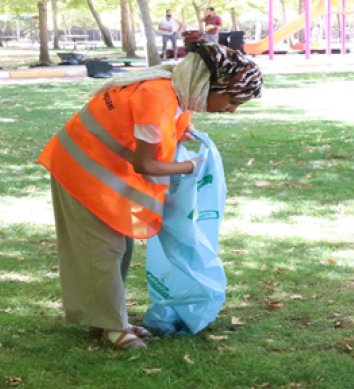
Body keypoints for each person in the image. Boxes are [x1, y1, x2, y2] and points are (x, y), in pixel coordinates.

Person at [36, 31, 263, 350]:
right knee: (100, 249)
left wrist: (183, 134)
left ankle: (108, 319)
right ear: (210, 86)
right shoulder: (157, 98)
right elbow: (146, 164)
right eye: (233, 100)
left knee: (117, 247)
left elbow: (170, 126)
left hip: (99, 171)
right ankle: (111, 326)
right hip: (79, 169)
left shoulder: (178, 92)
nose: (232, 109)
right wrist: (190, 167)